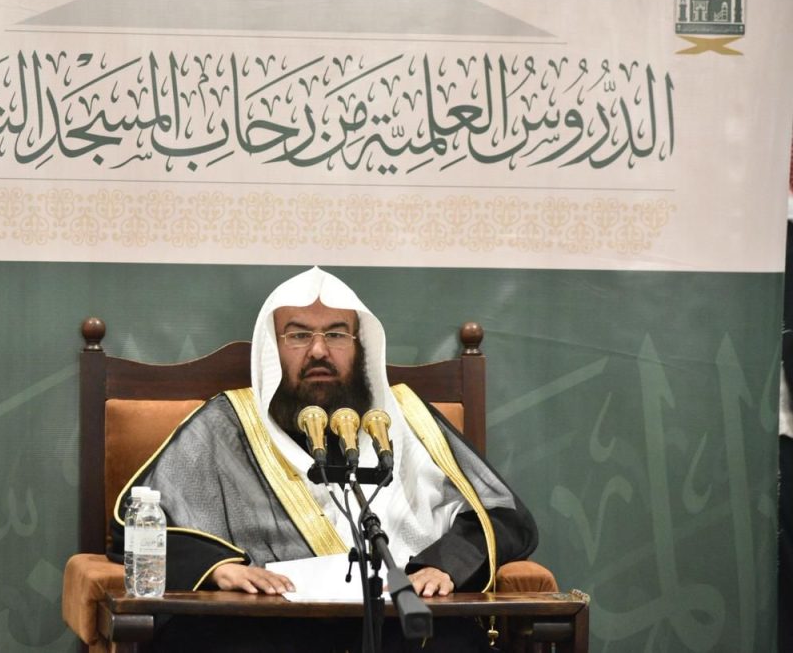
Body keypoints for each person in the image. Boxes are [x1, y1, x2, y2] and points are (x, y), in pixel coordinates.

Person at [109, 267, 538, 651]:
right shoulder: (226, 427)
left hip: (394, 619)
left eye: (336, 334)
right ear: (272, 349)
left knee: (452, 642)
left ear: (359, 345)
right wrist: (217, 568)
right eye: (298, 335)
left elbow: (502, 515)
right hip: (268, 623)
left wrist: (443, 566)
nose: (318, 350)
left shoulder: (403, 420)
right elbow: (135, 524)